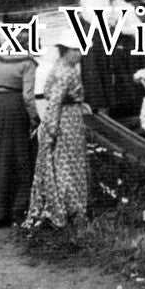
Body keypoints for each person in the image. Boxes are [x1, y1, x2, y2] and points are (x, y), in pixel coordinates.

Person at [23, 30, 89, 230]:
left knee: (67, 162)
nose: (79, 54)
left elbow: (63, 96)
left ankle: (70, 205)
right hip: (65, 122)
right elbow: (54, 103)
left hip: (70, 116)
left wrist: (80, 103)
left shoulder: (64, 66)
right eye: (75, 50)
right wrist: (51, 129)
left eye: (80, 49)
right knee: (67, 163)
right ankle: (70, 207)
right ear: (65, 51)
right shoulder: (64, 72)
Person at [79, 0, 145, 124]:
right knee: (100, 76)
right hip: (96, 36)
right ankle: (104, 115)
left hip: (95, 34)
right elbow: (99, 19)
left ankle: (105, 113)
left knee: (101, 76)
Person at [0, 37, 38, 227]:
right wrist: (35, 119)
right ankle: (18, 207)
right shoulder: (28, 62)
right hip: (16, 108)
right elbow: (28, 97)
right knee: (19, 158)